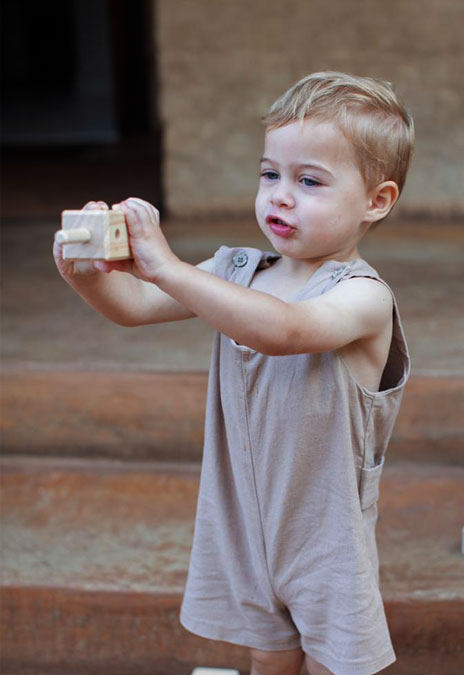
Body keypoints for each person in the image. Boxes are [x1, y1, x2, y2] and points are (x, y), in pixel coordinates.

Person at [53, 71, 414, 675]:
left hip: (324, 529)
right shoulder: (234, 270)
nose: (280, 195)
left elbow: (286, 332)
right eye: (270, 174)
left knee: (334, 658)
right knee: (266, 651)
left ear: (376, 201)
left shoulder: (361, 295)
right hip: (245, 514)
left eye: (310, 182)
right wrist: (88, 275)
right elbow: (135, 308)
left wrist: (166, 266)